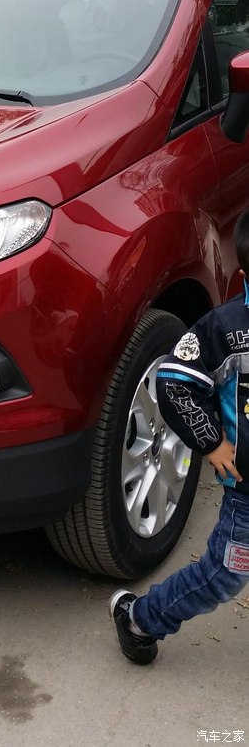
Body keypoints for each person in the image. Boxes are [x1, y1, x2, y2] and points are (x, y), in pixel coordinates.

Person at [110, 208, 249, 664]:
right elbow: (173, 381)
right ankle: (140, 618)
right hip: (246, 493)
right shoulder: (226, 328)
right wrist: (211, 441)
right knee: (223, 576)